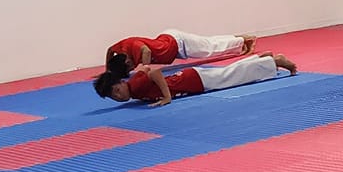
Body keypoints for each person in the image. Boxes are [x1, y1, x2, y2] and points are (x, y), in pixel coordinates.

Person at [93, 52, 298, 107]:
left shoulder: (134, 85)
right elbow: (145, 68)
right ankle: (261, 59)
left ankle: (276, 61)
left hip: (193, 81)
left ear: (121, 82)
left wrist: (166, 97)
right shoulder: (135, 87)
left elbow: (153, 72)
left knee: (233, 78)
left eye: (117, 91)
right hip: (192, 80)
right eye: (114, 98)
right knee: (229, 74)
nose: (119, 97)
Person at [106, 30, 254, 69]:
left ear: (126, 60)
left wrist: (145, 68)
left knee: (210, 48)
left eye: (130, 66)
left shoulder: (134, 45)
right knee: (209, 42)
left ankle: (244, 40)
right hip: (172, 41)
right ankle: (239, 38)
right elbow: (109, 50)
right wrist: (107, 69)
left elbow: (147, 51)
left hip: (178, 43)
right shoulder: (121, 49)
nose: (133, 67)